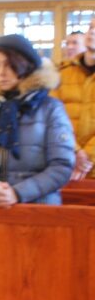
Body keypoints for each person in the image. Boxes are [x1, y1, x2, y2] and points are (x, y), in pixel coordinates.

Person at [0, 33, 75, 205]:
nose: (1, 73)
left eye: (9, 65)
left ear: (25, 65)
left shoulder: (50, 108)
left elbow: (61, 166)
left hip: (38, 207)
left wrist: (17, 193)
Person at [55, 17, 95, 179]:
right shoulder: (63, 73)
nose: (92, 32)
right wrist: (75, 150)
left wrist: (88, 155)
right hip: (65, 161)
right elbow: (53, 116)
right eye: (90, 27)